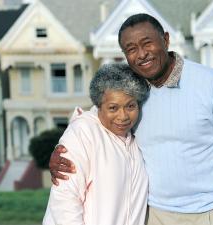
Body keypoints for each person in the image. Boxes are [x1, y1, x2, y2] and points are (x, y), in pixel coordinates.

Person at [49, 13, 213, 225]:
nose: (141, 54)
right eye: (131, 49)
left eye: (147, 43)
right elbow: (102, 112)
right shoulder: (131, 91)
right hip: (155, 215)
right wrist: (66, 149)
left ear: (166, 40)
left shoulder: (211, 83)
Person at [43, 63, 150, 225]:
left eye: (130, 106)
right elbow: (65, 203)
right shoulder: (82, 134)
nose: (123, 116)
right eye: (113, 108)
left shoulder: (135, 138)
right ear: (98, 106)